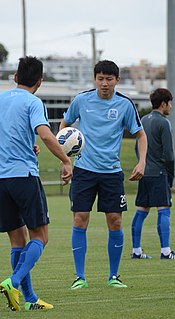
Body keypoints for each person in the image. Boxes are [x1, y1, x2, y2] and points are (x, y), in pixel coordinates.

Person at [59, 59, 147, 289]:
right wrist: (64, 158)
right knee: (80, 219)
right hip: (84, 171)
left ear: (117, 80)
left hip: (111, 173)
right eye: (100, 79)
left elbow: (140, 134)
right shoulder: (81, 100)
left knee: (115, 221)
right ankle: (80, 277)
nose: (104, 83)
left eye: (109, 79)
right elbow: (64, 125)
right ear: (95, 79)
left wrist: (142, 162)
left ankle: (114, 276)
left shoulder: (125, 105)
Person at [0, 56, 72, 311]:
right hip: (24, 177)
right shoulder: (33, 102)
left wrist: (24, 146)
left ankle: (30, 300)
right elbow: (46, 135)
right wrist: (66, 161)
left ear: (15, 77)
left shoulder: (1, 99)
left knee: (17, 241)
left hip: (2, 180)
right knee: (40, 236)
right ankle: (14, 282)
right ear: (39, 82)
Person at [131, 88, 175, 260]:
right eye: (170, 103)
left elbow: (137, 147)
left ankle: (136, 251)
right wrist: (170, 175)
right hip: (159, 173)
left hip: (145, 173)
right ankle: (166, 251)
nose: (171, 107)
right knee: (164, 210)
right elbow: (169, 154)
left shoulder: (143, 120)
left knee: (141, 211)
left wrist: (143, 164)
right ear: (164, 104)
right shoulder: (164, 123)